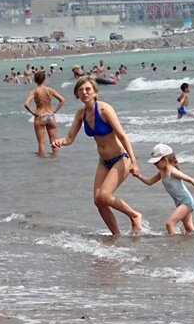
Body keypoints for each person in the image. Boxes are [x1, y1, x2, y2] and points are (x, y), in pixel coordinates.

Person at [52, 76, 143, 235]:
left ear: (94, 92)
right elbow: (70, 138)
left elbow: (122, 136)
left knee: (105, 196)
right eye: (80, 90)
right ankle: (116, 235)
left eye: (87, 89)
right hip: (104, 161)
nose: (84, 92)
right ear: (77, 95)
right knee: (98, 201)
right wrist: (60, 141)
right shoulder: (81, 113)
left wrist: (134, 162)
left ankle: (134, 215)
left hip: (121, 158)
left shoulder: (104, 110)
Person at [136, 143, 194, 235]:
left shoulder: (173, 172)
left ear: (165, 160)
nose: (155, 164)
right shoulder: (161, 172)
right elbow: (149, 182)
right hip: (179, 203)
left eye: (156, 162)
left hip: (186, 202)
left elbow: (191, 179)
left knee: (169, 224)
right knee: (189, 228)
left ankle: (174, 246)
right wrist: (138, 176)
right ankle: (191, 245)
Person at [23, 70, 66, 157]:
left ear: (35, 80)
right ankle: (56, 160)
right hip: (50, 116)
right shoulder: (49, 90)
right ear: (44, 79)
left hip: (40, 116)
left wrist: (33, 113)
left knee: (41, 143)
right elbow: (62, 100)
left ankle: (42, 165)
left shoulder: (35, 91)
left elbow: (26, 104)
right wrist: (55, 111)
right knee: (54, 141)